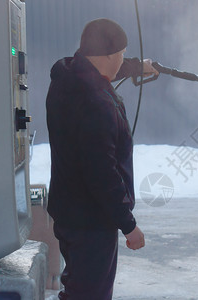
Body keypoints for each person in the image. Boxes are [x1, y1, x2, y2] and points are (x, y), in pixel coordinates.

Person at [46, 18, 158, 300]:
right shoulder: (95, 102)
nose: (122, 60)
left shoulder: (66, 79)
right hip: (92, 222)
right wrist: (129, 225)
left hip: (71, 215)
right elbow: (102, 173)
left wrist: (136, 66)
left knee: (77, 291)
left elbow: (95, 71)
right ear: (108, 55)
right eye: (120, 54)